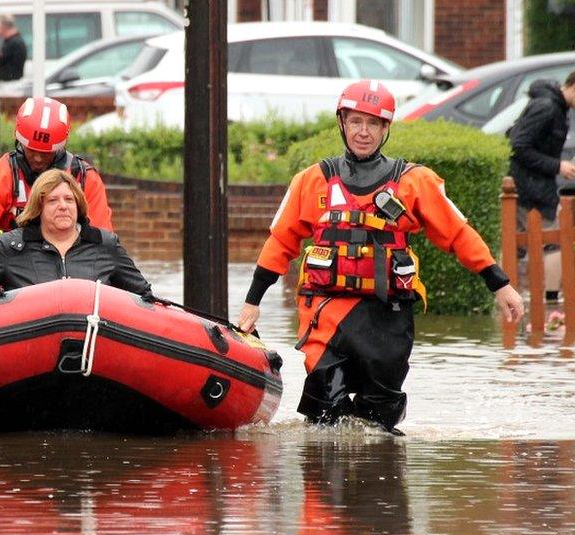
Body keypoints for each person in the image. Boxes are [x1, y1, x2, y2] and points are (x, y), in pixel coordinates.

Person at [236, 79, 525, 435]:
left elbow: (458, 234)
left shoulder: (414, 182)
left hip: (386, 315)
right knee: (325, 413)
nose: (363, 132)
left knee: (379, 419)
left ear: (386, 128)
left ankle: (379, 484)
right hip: (326, 311)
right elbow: (280, 242)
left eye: (373, 123)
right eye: (356, 121)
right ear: (341, 122)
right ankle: (323, 485)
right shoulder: (311, 181)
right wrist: (253, 301)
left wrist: (501, 285)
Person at [0, 96, 114, 274]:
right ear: (18, 139)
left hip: (72, 271)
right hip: (13, 273)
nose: (37, 158)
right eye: (32, 150)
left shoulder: (85, 179)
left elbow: (103, 242)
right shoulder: (2, 175)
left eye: (45, 153)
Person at [0, 169, 149, 305]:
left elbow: (144, 296)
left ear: (78, 205)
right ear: (39, 208)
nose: (63, 206)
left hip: (94, 349)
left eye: (69, 199)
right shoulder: (12, 247)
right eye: (52, 200)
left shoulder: (105, 245)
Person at [508, 71, 575, 302]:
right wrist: (557, 166)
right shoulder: (547, 107)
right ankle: (551, 304)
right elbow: (518, 146)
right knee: (553, 242)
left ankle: (502, 296)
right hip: (529, 187)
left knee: (513, 243)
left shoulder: (555, 106)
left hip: (531, 185)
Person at [0, 15, 27, 83]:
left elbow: (2, 60)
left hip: (9, 85)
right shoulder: (11, 41)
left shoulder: (13, 43)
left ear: (3, 27)